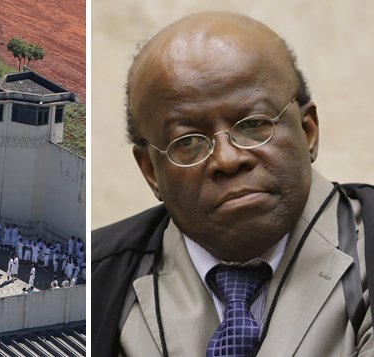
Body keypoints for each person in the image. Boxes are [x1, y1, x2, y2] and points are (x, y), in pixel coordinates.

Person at [91, 12, 374, 357]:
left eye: (254, 124)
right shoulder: (99, 283)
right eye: (188, 141)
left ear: (308, 130)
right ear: (151, 170)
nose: (227, 159)